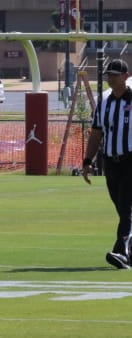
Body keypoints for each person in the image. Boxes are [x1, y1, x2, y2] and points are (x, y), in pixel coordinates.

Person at [82, 58, 132, 269]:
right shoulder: (104, 105)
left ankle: (120, 252)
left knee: (126, 208)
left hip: (131, 160)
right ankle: (129, 253)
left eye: (114, 74)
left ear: (126, 76)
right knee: (122, 210)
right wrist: (87, 161)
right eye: (108, 75)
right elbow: (96, 134)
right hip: (111, 163)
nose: (110, 78)